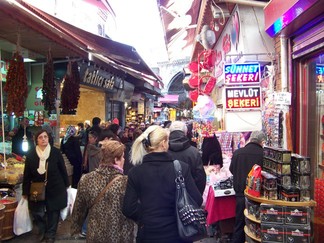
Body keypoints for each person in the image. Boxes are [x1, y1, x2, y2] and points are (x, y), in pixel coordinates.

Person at [122, 125, 203, 243]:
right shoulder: (181, 168)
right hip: (178, 234)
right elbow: (197, 199)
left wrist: (146, 216)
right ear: (164, 144)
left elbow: (128, 208)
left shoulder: (135, 172)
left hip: (148, 234)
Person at [70, 140, 135, 243]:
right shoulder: (126, 182)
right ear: (116, 160)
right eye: (122, 157)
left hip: (95, 236)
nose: (124, 159)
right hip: (121, 236)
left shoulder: (86, 179)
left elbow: (78, 210)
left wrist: (76, 229)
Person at [22, 129, 70, 243]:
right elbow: (27, 174)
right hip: (37, 188)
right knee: (37, 212)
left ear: (48, 139)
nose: (43, 139)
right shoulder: (31, 154)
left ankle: (50, 235)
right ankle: (42, 230)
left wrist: (67, 185)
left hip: (55, 186)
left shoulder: (55, 152)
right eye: (40, 137)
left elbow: (63, 169)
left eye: (45, 137)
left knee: (53, 212)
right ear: (36, 140)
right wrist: (25, 191)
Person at [229, 131, 266, 243]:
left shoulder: (238, 153)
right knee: (257, 225)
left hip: (241, 193)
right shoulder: (263, 154)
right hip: (258, 196)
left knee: (239, 224)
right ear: (262, 142)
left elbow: (232, 170)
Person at [168, 121, 206, 194]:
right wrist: (196, 197)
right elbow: (200, 178)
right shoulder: (193, 152)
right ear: (185, 133)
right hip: (189, 198)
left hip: (167, 198)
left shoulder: (163, 151)